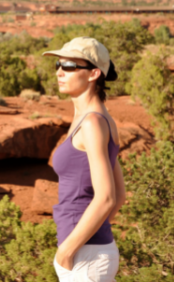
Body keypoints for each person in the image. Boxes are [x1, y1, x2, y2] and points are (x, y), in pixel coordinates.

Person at [42, 37, 126, 282]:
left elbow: (108, 197)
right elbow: (120, 195)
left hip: (84, 257)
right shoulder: (96, 120)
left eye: (69, 66)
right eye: (58, 64)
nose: (60, 72)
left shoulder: (92, 123)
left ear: (93, 74)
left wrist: (67, 251)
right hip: (88, 252)